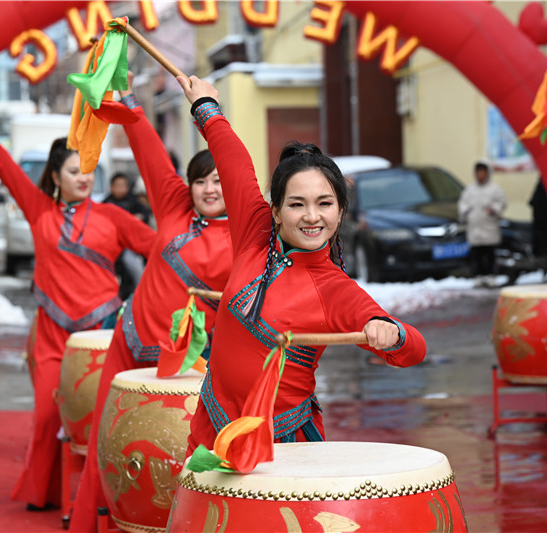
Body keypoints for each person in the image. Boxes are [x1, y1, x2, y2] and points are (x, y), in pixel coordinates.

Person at [176, 75, 427, 453]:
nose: (312, 216)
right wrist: (206, 108)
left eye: (324, 203)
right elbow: (234, 164)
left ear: (340, 213)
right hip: (211, 427)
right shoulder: (254, 233)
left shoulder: (333, 288)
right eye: (297, 204)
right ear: (275, 211)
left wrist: (391, 331)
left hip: (281, 448)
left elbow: (414, 350)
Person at [0, 97, 156, 510]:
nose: (83, 177)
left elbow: (160, 249)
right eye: (73, 170)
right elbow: (5, 170)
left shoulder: (113, 216)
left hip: (101, 334)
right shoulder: (38, 210)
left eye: (88, 168)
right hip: (50, 333)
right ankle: (43, 493)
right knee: (48, 417)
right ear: (55, 176)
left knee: (102, 421)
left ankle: (106, 497)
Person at [68, 80, 234, 532]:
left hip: (185, 364)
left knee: (169, 460)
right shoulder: (174, 206)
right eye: (201, 180)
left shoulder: (247, 236)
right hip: (129, 341)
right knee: (107, 444)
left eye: (219, 179)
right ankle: (90, 524)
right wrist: (127, 98)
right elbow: (149, 152)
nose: (209, 188)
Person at [458, 159, 507, 288]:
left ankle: (491, 276)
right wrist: (467, 212)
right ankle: (477, 276)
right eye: (478, 172)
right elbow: (462, 203)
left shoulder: (495, 189)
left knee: (489, 254)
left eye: (483, 172)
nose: (480, 175)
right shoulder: (470, 189)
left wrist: (493, 210)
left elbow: (501, 203)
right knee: (476, 255)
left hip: (489, 227)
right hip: (475, 228)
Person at [103, 172, 151, 299]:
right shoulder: (106, 203)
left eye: (123, 185)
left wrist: (138, 218)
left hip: (130, 247)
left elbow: (145, 214)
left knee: (134, 265)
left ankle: (142, 290)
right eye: (117, 185)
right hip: (112, 246)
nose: (120, 189)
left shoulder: (133, 201)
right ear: (111, 187)